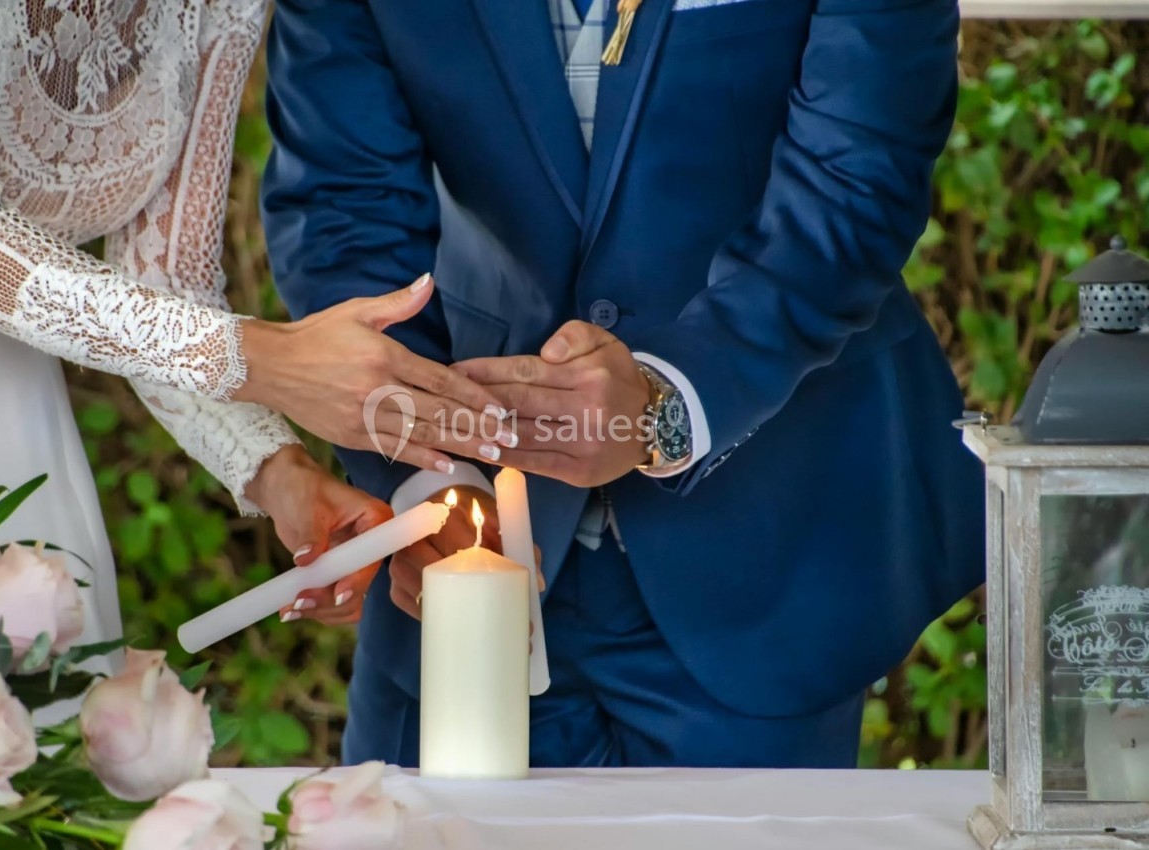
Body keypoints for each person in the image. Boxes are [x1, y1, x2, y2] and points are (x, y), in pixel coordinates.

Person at [262, 0, 986, 766]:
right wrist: (427, 476)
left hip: (769, 546)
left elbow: (858, 177)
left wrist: (670, 403)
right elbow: (343, 209)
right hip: (460, 556)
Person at [0, 0, 505, 652]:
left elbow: (165, 282)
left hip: (15, 402)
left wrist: (277, 472)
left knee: (20, 692)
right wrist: (269, 361)